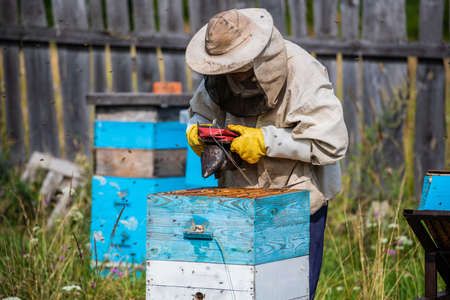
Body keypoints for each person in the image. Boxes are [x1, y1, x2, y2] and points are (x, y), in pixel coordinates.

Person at [185, 8, 348, 299]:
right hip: (237, 204)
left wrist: (266, 141)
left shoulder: (302, 69)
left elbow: (332, 143)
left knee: (289, 293)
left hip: (297, 204)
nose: (230, 75)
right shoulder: (219, 74)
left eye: (236, 68)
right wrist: (197, 130)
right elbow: (200, 112)